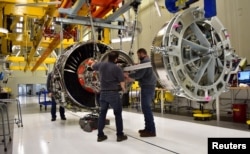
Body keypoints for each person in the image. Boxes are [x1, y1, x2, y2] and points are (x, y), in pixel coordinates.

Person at [91, 50, 128, 142]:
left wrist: (95, 62)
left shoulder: (101, 65)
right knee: (118, 114)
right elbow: (122, 82)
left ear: (108, 57)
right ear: (116, 59)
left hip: (103, 93)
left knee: (102, 114)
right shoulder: (117, 68)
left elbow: (92, 66)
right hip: (113, 94)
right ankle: (120, 135)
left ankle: (100, 135)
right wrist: (124, 89)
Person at [126, 48, 157, 137]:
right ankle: (147, 128)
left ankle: (151, 131)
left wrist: (128, 75)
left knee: (146, 108)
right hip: (150, 86)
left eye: (139, 55)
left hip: (147, 87)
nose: (138, 57)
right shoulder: (149, 61)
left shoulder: (145, 62)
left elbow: (139, 75)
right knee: (145, 108)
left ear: (142, 54)